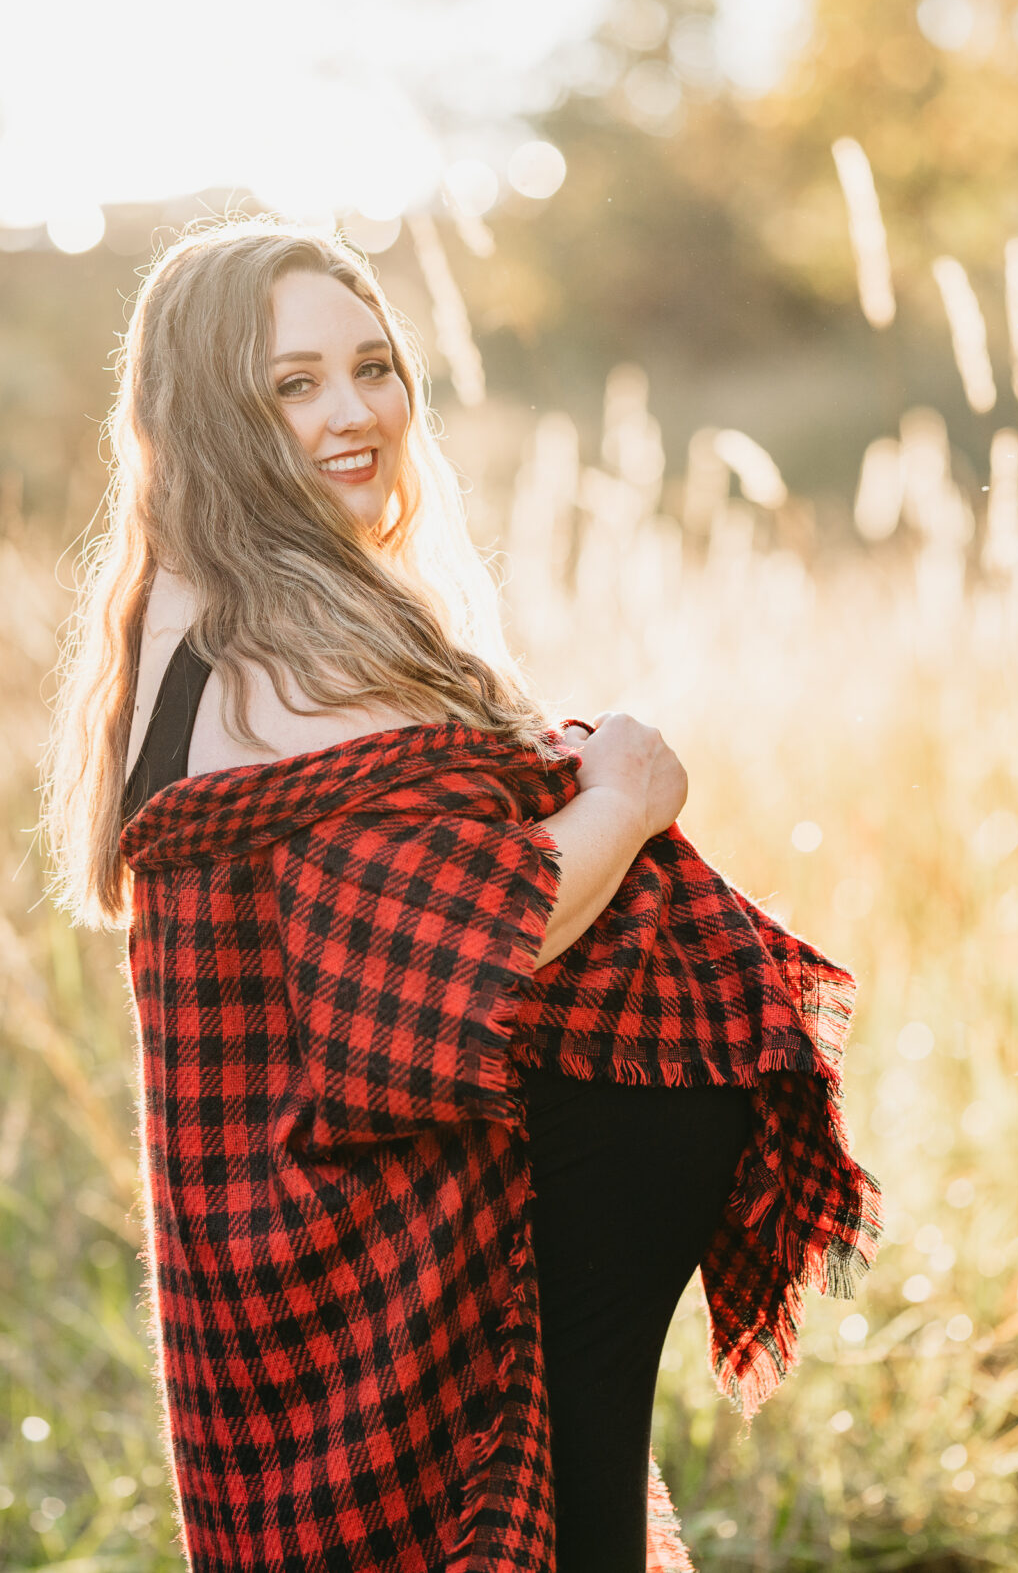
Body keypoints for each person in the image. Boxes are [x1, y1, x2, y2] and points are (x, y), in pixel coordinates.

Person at [45, 219, 877, 1572]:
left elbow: (378, 880)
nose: (354, 411)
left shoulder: (183, 616)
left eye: (373, 368)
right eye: (294, 385)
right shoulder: (280, 642)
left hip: (428, 1243)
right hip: (428, 1263)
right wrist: (627, 797)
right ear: (209, 415)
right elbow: (482, 946)